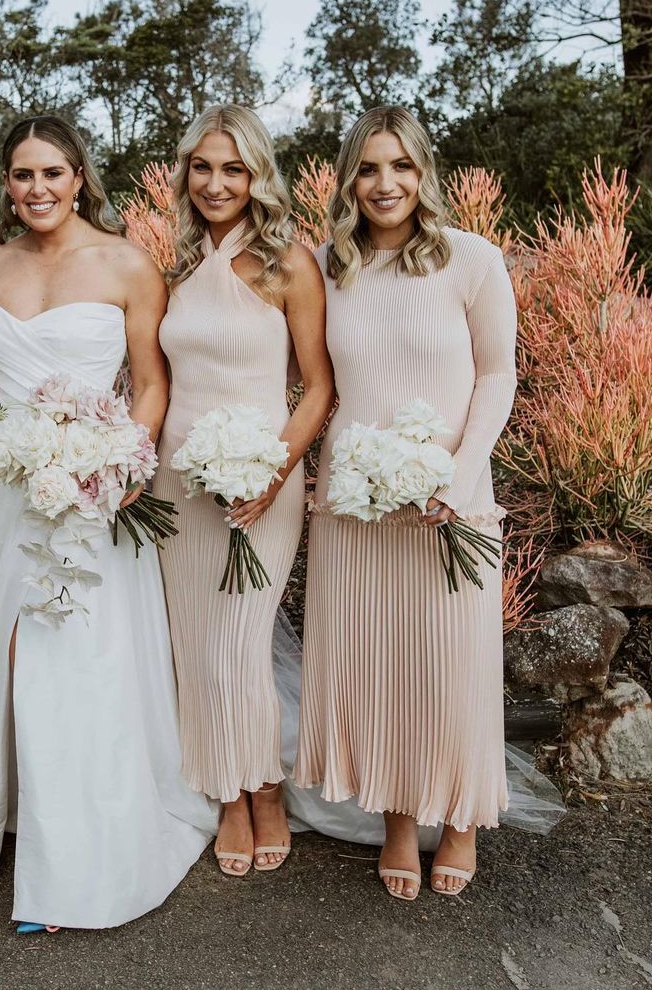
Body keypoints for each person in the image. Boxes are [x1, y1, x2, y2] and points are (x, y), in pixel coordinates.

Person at [0, 115, 216, 932]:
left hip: (95, 491)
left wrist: (113, 464)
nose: (37, 189)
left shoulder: (127, 264)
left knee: (80, 655)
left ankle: (76, 862)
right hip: (10, 488)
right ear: (6, 185)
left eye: (53, 173)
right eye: (22, 175)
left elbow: (151, 383)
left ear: (80, 178)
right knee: (15, 650)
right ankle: (19, 821)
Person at [294, 105, 517, 901]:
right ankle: (395, 818)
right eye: (368, 168)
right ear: (349, 179)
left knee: (453, 664)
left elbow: (497, 375)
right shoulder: (325, 266)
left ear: (425, 173)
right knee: (375, 663)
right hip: (355, 506)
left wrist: (462, 471)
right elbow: (307, 377)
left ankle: (457, 819)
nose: (384, 184)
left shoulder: (472, 260)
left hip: (452, 502)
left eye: (401, 166)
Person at [153, 104, 334, 877]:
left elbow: (319, 389)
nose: (217, 183)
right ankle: (229, 793)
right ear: (186, 174)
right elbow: (158, 381)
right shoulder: (173, 268)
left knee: (241, 643)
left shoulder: (291, 264)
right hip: (177, 480)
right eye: (203, 167)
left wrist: (272, 473)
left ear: (258, 174)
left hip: (265, 477)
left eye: (233, 168)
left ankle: (264, 788)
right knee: (196, 646)